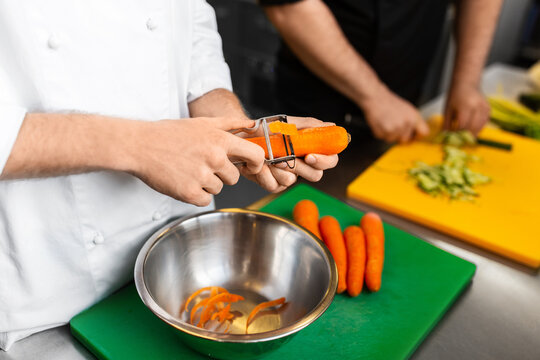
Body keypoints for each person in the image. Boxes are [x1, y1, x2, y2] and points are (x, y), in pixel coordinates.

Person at [0, 1, 338, 350]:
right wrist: (140, 146)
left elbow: (192, 24)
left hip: (188, 260)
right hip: (53, 287)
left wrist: (242, 134)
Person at [259, 0, 503, 143]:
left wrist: (467, 81)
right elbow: (288, 6)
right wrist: (375, 97)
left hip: (407, 90)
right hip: (318, 96)